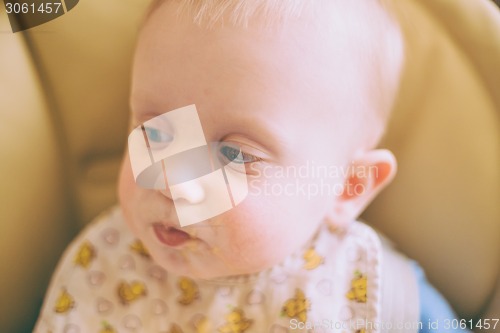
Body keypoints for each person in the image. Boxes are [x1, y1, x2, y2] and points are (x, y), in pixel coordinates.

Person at [35, 0, 468, 332]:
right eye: (158, 133)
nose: (171, 180)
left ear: (346, 186)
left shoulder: (369, 291)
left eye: (233, 155)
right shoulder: (108, 266)